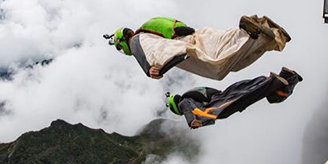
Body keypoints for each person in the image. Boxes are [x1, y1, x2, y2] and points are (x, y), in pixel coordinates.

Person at [106, 15, 290, 81]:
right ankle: (266, 34)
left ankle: (251, 34)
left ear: (123, 41)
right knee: (231, 58)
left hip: (184, 44)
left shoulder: (138, 38)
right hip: (199, 35)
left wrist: (150, 69)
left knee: (216, 70)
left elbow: (146, 50)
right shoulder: (150, 27)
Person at [166, 67, 303, 129]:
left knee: (251, 95)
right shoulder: (191, 94)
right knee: (246, 88)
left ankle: (278, 82)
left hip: (219, 107)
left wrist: (192, 122)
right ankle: (287, 76)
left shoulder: (184, 102)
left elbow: (189, 111)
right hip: (222, 96)